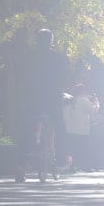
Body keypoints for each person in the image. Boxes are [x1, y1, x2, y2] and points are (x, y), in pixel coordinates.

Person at [16, 28, 72, 182]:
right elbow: (65, 75)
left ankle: (20, 163)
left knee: (26, 129)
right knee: (59, 127)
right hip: (52, 98)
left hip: (33, 99)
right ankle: (61, 159)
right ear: (51, 41)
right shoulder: (58, 57)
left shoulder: (28, 57)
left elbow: (22, 75)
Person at [61, 83, 98, 171]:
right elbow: (93, 112)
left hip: (69, 129)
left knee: (71, 149)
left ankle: (70, 166)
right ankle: (85, 166)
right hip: (82, 130)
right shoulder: (84, 101)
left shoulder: (67, 101)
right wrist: (96, 103)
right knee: (84, 149)